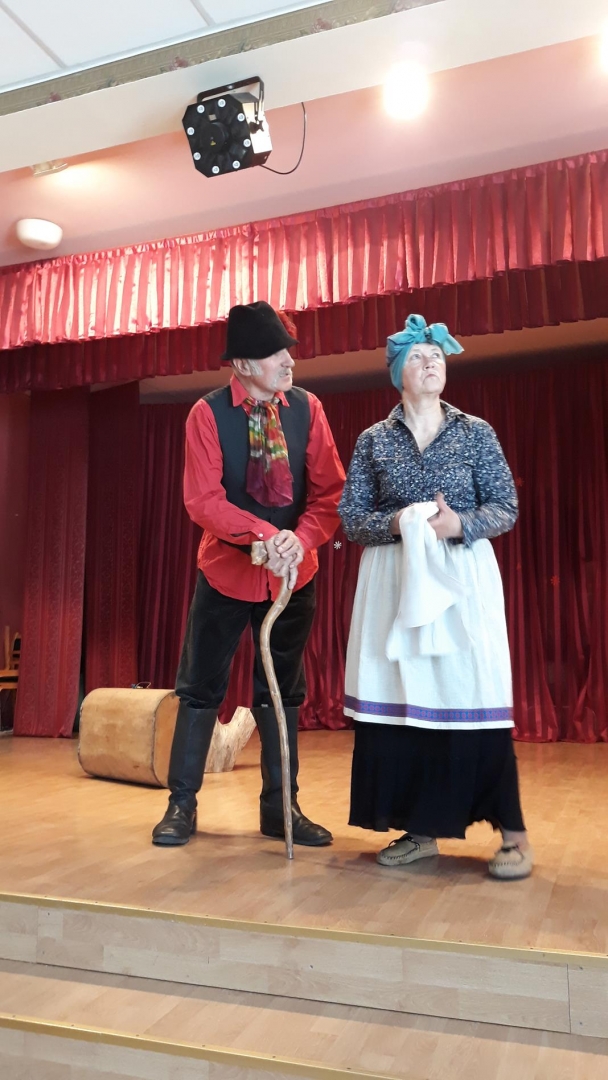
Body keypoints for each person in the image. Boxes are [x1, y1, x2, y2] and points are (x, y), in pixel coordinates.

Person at [338, 314, 533, 880]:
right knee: (405, 699)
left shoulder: (475, 432)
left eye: (438, 357)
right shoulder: (373, 440)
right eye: (419, 357)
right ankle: (419, 832)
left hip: (460, 578)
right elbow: (351, 518)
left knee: (471, 692)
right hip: (394, 582)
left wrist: (459, 525)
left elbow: (505, 506)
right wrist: (400, 522)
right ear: (398, 372)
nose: (431, 364)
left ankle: (514, 836)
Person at [153, 301, 345, 849]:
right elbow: (204, 500)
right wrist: (265, 535)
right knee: (199, 689)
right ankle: (181, 805)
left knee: (282, 692)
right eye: (274, 353)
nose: (289, 361)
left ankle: (281, 809)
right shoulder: (207, 414)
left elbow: (330, 493)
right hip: (225, 575)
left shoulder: (308, 409)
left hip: (292, 577)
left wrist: (297, 541)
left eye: (288, 351)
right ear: (242, 364)